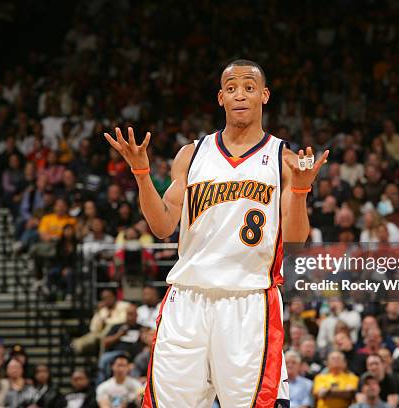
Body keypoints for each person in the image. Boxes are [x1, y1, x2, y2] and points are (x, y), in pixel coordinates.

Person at [104, 59, 328, 407]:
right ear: (220, 97)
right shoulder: (191, 155)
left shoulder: (284, 157)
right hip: (187, 298)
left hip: (248, 299)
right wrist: (142, 173)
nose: (240, 95)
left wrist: (300, 193)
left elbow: (296, 241)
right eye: (232, 87)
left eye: (249, 87)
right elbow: (162, 226)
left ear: (264, 96)